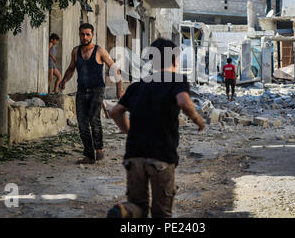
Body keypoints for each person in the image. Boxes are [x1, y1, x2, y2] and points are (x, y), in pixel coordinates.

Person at [107, 38, 205, 218]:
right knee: (162, 212)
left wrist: (130, 132)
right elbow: (183, 101)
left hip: (134, 155)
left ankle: (124, 211)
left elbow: (115, 112)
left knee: (138, 206)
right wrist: (198, 119)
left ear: (152, 61)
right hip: (161, 156)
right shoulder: (176, 81)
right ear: (175, 60)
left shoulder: (137, 86)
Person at [59, 23, 124, 165]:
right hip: (81, 91)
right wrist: (64, 80)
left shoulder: (100, 51)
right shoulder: (76, 51)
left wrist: (119, 88)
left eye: (88, 34)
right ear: (79, 35)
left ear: (92, 35)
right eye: (82, 34)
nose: (85, 37)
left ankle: (99, 148)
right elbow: (71, 68)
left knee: (94, 120)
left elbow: (114, 69)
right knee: (82, 125)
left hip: (97, 91)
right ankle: (89, 155)